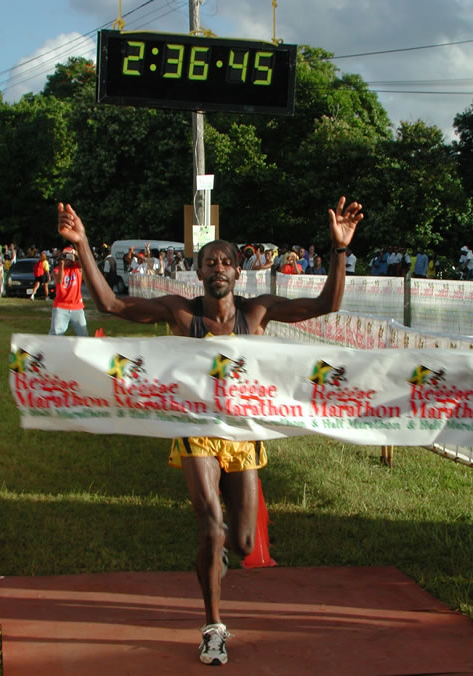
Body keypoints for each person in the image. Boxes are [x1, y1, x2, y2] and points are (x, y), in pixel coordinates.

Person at [56, 195, 363, 666]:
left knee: (240, 542)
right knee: (211, 527)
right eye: (208, 262)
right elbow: (112, 303)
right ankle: (213, 627)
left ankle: (213, 557)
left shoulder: (257, 312)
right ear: (197, 273)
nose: (217, 267)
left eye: (225, 261)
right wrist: (81, 245)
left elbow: (326, 303)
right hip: (195, 428)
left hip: (243, 434)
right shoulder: (181, 314)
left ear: (238, 272)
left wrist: (339, 249)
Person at [49, 246, 88, 336]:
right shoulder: (56, 270)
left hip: (77, 306)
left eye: (70, 256)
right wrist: (62, 265)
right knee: (56, 334)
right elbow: (59, 280)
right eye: (66, 256)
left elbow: (85, 262)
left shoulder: (77, 267)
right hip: (61, 306)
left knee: (83, 335)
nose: (68, 259)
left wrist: (75, 253)